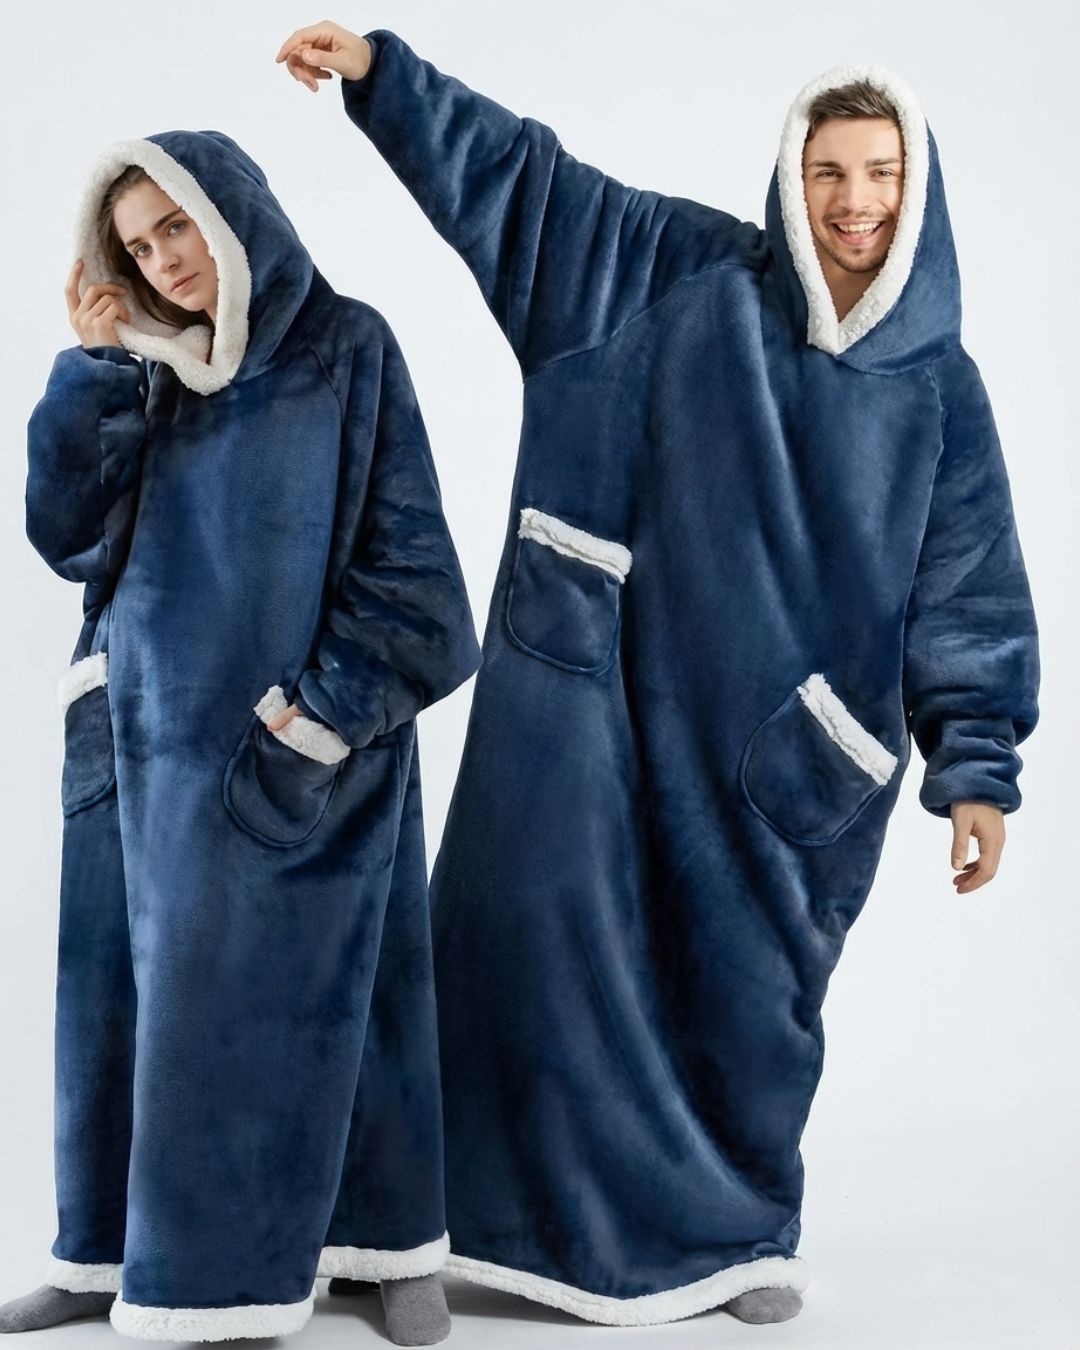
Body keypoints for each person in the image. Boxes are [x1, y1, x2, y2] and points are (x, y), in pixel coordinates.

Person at [273, 22, 1042, 1329]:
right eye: (829, 171)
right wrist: (386, 81)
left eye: (881, 172)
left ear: (918, 187)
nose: (855, 200)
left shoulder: (940, 392)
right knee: (521, 964)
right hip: (593, 704)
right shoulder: (672, 272)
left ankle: (729, 1244)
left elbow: (969, 590)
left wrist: (976, 767)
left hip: (784, 765)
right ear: (792, 177)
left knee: (744, 1016)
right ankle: (431, 1228)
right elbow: (525, 187)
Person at [0, 127, 481, 1343]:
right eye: (137, 245)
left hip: (295, 758)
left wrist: (316, 723)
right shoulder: (144, 374)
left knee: (339, 1002)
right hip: (135, 753)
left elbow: (419, 583)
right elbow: (65, 538)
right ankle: (106, 1253)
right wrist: (95, 368)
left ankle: (370, 1252)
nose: (164, 259)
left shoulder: (345, 349)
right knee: (118, 1010)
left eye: (178, 226)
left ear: (233, 212)